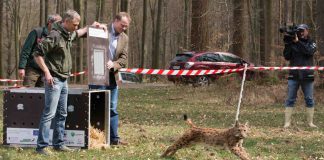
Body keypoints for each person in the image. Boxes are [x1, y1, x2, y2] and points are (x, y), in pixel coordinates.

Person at [33, 9, 106, 155]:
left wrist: (93, 26)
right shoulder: (55, 35)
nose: (76, 27)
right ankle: (41, 147)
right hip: (53, 80)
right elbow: (37, 53)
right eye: (75, 24)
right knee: (49, 114)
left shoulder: (68, 34)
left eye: (78, 24)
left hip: (64, 80)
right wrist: (46, 73)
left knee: (62, 113)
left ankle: (58, 144)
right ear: (66, 22)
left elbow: (79, 33)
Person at [88, 12, 131, 145]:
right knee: (94, 105)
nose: (124, 28)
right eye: (122, 25)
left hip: (113, 76)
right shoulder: (101, 29)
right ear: (115, 21)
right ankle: (93, 138)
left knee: (112, 107)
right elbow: (84, 35)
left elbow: (124, 58)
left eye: (126, 26)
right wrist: (92, 26)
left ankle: (114, 139)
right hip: (97, 76)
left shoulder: (124, 38)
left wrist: (114, 64)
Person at [283, 23, 317, 128]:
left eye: (303, 30)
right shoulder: (293, 43)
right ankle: (287, 122)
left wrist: (298, 43)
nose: (301, 33)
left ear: (307, 31)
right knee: (290, 99)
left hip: (307, 76)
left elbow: (309, 51)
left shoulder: (311, 42)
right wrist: (288, 44)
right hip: (294, 75)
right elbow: (287, 56)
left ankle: (310, 122)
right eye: (299, 31)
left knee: (309, 99)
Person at [18, 14, 62, 87]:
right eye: (57, 23)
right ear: (50, 22)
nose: (59, 25)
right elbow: (26, 50)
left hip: (47, 71)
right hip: (32, 69)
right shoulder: (37, 32)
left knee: (43, 95)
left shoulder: (57, 35)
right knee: (28, 93)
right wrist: (21, 67)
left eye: (60, 23)